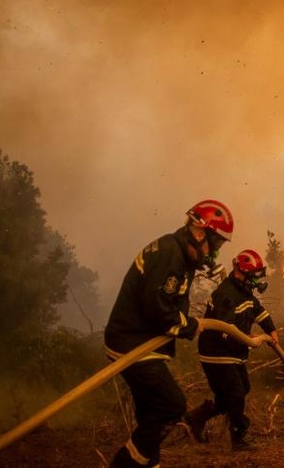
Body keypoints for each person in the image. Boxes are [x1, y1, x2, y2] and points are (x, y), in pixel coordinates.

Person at [105, 199, 234, 468]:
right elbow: (159, 310)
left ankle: (148, 464)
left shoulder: (178, 252)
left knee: (150, 413)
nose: (215, 253)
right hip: (134, 344)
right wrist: (189, 326)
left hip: (139, 340)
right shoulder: (170, 256)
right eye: (216, 244)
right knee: (170, 405)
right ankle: (124, 465)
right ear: (199, 233)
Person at [183, 248, 279, 451]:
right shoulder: (226, 295)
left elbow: (259, 312)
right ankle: (239, 436)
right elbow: (226, 330)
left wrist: (271, 331)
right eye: (255, 275)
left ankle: (197, 417)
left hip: (233, 352)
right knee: (235, 394)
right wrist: (247, 340)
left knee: (242, 389)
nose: (257, 280)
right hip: (217, 353)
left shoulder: (244, 293)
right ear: (243, 273)